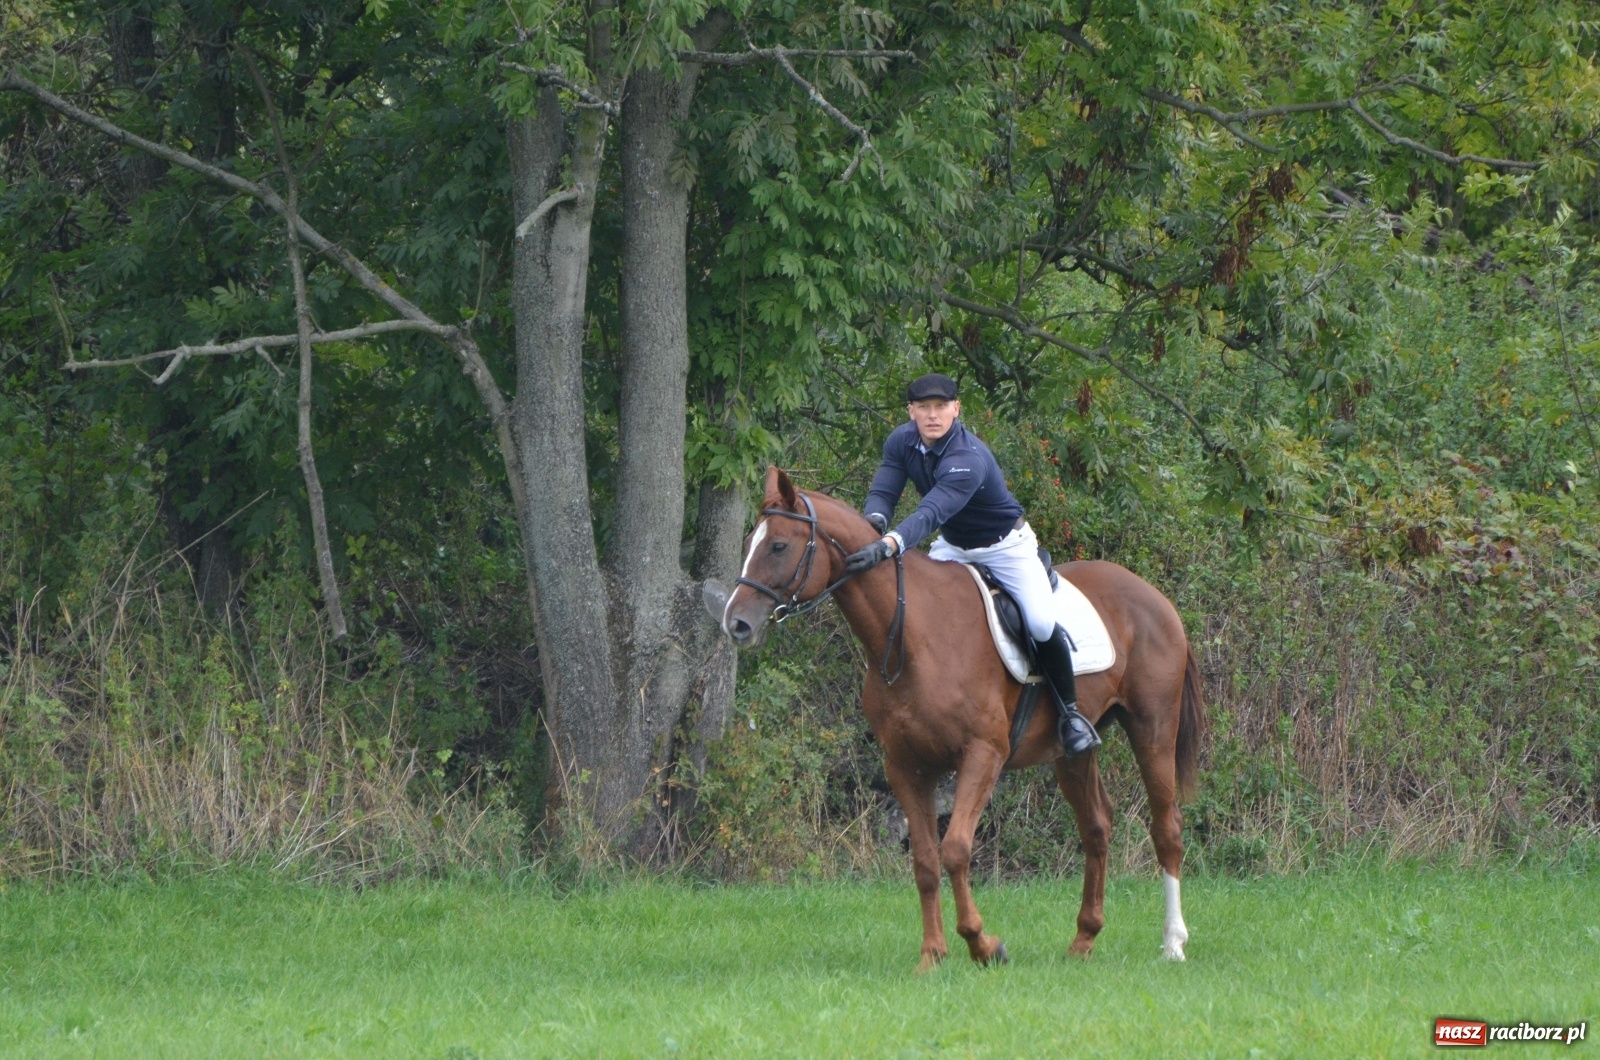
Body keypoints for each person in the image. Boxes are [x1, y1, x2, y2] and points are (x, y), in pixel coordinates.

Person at [844, 372, 1101, 756]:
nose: (933, 415)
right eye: (924, 408)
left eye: (941, 407)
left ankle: (1070, 714)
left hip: (1006, 548)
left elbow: (931, 511)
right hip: (955, 545)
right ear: (911, 411)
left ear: (956, 409)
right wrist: (874, 524)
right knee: (914, 607)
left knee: (1040, 622)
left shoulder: (967, 457)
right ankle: (906, 704)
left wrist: (889, 544)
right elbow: (884, 490)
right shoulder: (901, 441)